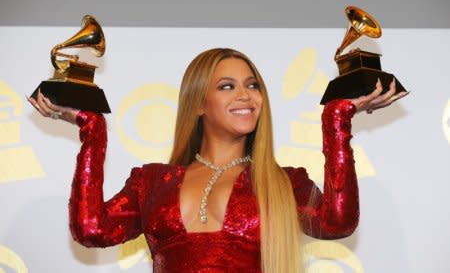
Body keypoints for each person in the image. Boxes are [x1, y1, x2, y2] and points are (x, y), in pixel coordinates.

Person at [28, 48, 407, 273]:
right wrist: (92, 132)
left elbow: (337, 224)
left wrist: (336, 121)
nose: (247, 96)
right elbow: (91, 230)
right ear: (197, 104)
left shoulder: (284, 182)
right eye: (227, 86)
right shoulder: (152, 181)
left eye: (253, 85)